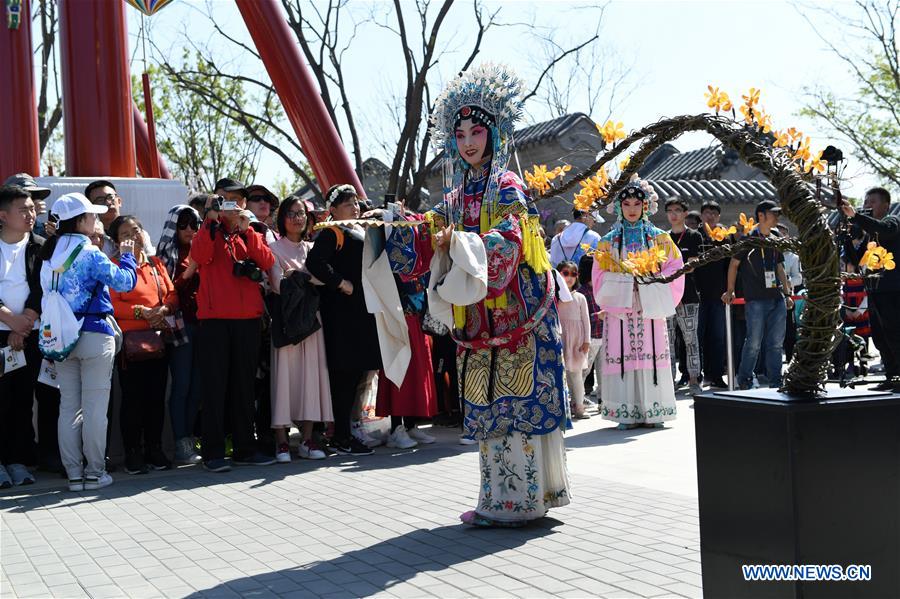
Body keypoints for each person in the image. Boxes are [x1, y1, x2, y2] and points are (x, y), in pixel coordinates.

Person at [382, 64, 571, 527]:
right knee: (489, 408)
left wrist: (460, 243)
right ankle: (496, 497)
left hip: (515, 315)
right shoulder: (456, 192)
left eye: (476, 131)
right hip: (477, 317)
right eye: (460, 132)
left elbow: (509, 243)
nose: (468, 141)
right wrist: (390, 230)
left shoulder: (508, 185)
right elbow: (430, 236)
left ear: (493, 133)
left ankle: (522, 501)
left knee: (517, 403)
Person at [39, 193, 137, 491]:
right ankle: (95, 472)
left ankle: (74, 475)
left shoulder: (48, 256)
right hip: (94, 334)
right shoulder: (90, 252)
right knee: (95, 407)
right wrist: (128, 255)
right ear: (80, 221)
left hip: (62, 338)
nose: (97, 219)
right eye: (92, 215)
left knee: (68, 407)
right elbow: (125, 282)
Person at [191, 179, 277, 472]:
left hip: (247, 320)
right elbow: (200, 256)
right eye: (225, 199)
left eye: (237, 200)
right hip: (214, 321)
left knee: (244, 388)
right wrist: (209, 220)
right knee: (215, 388)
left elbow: (266, 262)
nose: (231, 205)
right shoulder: (209, 231)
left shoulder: (249, 232)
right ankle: (213, 452)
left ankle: (244, 448)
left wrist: (247, 229)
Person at [593, 178, 684, 429]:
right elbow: (598, 274)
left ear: (646, 206)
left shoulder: (661, 238)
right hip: (621, 307)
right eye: (626, 203)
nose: (631, 208)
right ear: (619, 207)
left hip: (649, 305)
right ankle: (626, 412)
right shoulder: (608, 241)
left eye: (637, 203)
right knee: (622, 353)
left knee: (651, 354)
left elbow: (676, 267)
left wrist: (650, 281)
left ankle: (655, 410)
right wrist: (623, 283)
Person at [306, 184, 382, 456]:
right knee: (344, 375)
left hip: (362, 312)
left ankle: (349, 430)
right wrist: (339, 282)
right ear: (333, 209)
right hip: (341, 314)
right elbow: (315, 262)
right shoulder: (331, 232)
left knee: (359, 373)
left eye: (356, 203)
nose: (355, 207)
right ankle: (340, 435)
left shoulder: (361, 229)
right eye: (348, 203)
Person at [109, 216, 177, 474]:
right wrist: (141, 313)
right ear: (116, 241)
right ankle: (133, 452)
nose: (132, 236)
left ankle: (155, 448)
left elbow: (172, 293)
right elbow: (113, 303)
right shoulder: (114, 266)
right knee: (132, 399)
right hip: (130, 345)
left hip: (157, 339)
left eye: (135, 230)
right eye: (125, 233)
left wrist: (164, 308)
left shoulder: (156, 264)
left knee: (156, 397)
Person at [267, 196, 332, 461]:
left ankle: (307, 438)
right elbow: (276, 283)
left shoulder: (313, 248)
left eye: (302, 213)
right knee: (285, 378)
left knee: (311, 377)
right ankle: (282, 441)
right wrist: (303, 278)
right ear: (282, 218)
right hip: (286, 320)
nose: (297, 218)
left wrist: (296, 276)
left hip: (313, 321)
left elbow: (323, 278)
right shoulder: (273, 248)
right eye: (291, 213)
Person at [723, 200, 793, 390]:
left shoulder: (776, 236)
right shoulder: (747, 238)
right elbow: (733, 265)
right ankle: (744, 379)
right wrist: (730, 290)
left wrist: (787, 293)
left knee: (776, 344)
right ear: (761, 216)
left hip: (777, 298)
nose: (777, 218)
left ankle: (776, 382)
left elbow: (780, 267)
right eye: (773, 214)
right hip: (755, 300)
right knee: (753, 343)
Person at [0, 185, 44, 487]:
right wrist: (10, 320)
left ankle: (17, 461)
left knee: (21, 401)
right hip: (3, 330)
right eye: (23, 209)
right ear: (3, 215)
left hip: (29, 334)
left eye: (32, 208)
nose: (31, 214)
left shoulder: (41, 246)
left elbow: (45, 288)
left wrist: (24, 322)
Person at [155, 204, 203, 464]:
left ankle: (192, 439)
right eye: (182, 224)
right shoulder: (165, 255)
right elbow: (167, 291)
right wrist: (192, 269)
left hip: (205, 325)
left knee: (198, 388)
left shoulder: (205, 250)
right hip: (180, 327)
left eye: (194, 224)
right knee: (182, 386)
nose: (189, 229)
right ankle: (181, 442)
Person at [840, 187, 900, 391]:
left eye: (872, 202)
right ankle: (892, 376)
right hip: (875, 290)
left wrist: (857, 217)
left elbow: (885, 230)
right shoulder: (868, 234)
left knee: (895, 333)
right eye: (865, 201)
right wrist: (849, 237)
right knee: (880, 336)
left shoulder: (893, 221)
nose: (867, 205)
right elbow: (855, 261)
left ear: (885, 205)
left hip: (893, 290)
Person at [375, 273, 439, 450]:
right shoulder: (391, 256)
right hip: (398, 320)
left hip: (417, 320)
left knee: (417, 373)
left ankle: (410, 425)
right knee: (400, 371)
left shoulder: (419, 256)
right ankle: (396, 428)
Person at [664, 198, 703, 394]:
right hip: (666, 297)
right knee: (667, 341)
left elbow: (693, 264)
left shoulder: (694, 236)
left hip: (688, 295)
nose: (674, 214)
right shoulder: (663, 238)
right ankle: (668, 382)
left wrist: (671, 271)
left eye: (678, 210)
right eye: (670, 210)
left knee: (690, 339)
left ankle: (694, 379)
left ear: (685, 213)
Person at [694, 200, 729, 388]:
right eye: (707, 213)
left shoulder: (724, 237)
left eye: (714, 213)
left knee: (717, 338)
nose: (711, 216)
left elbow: (731, 266)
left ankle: (716, 376)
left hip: (719, 296)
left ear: (719, 217)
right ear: (701, 216)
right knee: (697, 339)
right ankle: (695, 376)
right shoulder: (695, 236)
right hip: (698, 296)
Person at [556, 260, 592, 419]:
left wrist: (587, 341)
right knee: (562, 375)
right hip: (561, 338)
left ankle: (579, 406)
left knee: (576, 375)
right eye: (565, 273)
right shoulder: (554, 297)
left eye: (573, 274)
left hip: (576, 340)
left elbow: (586, 320)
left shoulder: (580, 297)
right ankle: (566, 407)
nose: (569, 278)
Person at [84, 180, 155, 258]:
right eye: (100, 200)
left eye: (110, 197)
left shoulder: (139, 234)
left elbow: (150, 260)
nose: (108, 202)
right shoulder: (91, 238)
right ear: (92, 207)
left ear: (119, 201)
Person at [577, 254, 603, 403]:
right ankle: (577, 398)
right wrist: (597, 316)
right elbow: (581, 318)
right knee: (584, 370)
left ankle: (603, 400)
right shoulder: (583, 292)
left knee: (603, 371)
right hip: (591, 337)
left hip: (603, 335)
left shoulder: (601, 288)